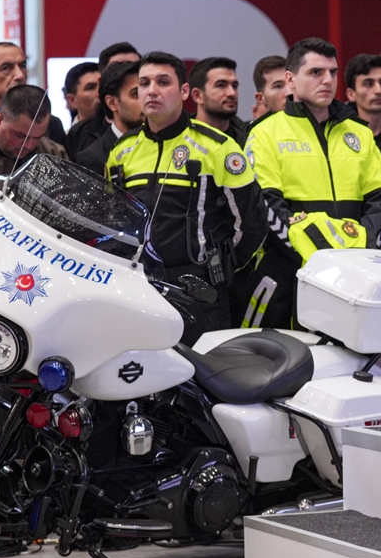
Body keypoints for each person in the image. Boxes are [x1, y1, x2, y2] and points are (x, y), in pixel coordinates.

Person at [107, 52, 266, 345]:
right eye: (144, 83)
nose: (151, 90)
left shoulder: (217, 147)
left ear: (183, 91)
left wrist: (221, 269)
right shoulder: (122, 151)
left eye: (163, 82)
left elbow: (253, 222)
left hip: (199, 290)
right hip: (139, 286)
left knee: (205, 381)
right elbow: (113, 221)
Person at [243, 38, 381, 329]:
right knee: (288, 368)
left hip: (354, 274)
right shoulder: (265, 133)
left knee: (350, 368)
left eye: (332, 72)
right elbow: (266, 205)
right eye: (315, 72)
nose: (327, 80)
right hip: (290, 273)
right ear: (290, 79)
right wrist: (321, 253)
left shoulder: (359, 133)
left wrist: (363, 247)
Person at [75, 60, 143, 175]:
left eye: (145, 92)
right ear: (112, 103)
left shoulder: (163, 145)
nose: (145, 100)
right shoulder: (92, 158)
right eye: (135, 94)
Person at [189, 56, 249, 147]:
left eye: (234, 86)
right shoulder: (179, 139)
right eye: (221, 85)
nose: (232, 93)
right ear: (198, 96)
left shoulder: (249, 141)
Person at [62, 61, 102, 160]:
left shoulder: (119, 132)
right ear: (72, 100)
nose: (99, 92)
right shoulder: (64, 141)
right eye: (90, 88)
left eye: (102, 85)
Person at [250, 55, 288, 120]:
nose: (289, 92)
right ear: (261, 98)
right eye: (278, 86)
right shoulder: (258, 130)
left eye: (291, 83)